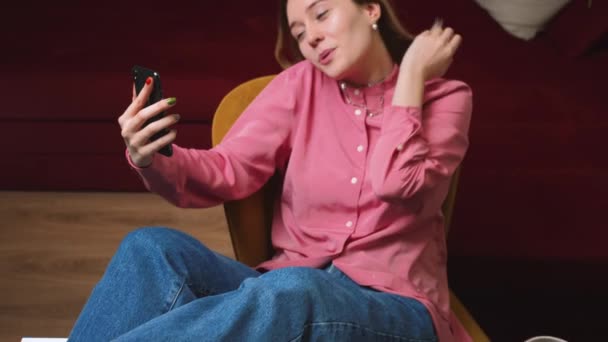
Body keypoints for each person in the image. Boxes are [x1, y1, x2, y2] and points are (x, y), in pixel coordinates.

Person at [68, 0, 472, 341]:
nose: (310, 37)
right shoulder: (299, 85)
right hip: (287, 288)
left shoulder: (448, 99)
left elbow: (396, 184)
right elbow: (228, 168)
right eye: (298, 32)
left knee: (293, 289)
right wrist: (151, 156)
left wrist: (412, 79)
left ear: (370, 9)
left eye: (321, 14)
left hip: (396, 307)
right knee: (151, 248)